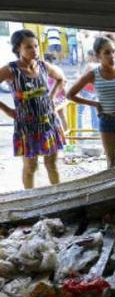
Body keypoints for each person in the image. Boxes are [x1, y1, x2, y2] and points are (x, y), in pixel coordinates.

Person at [0, 29, 65, 189]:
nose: (34, 50)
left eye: (36, 46)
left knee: (52, 164)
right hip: (27, 127)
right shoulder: (11, 70)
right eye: (28, 47)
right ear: (17, 49)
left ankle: (58, 197)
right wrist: (7, 110)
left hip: (48, 123)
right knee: (30, 167)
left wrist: (51, 98)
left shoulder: (43, 66)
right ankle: (31, 198)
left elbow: (61, 79)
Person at [67, 36, 115, 168]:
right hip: (106, 120)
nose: (112, 56)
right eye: (107, 52)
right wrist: (95, 104)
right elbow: (70, 95)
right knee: (111, 162)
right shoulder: (93, 74)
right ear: (98, 56)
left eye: (113, 51)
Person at [77, 50, 99, 132]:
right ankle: (95, 129)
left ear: (92, 56)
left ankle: (79, 129)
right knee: (94, 111)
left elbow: (83, 78)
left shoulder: (89, 65)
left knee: (80, 111)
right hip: (95, 90)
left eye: (88, 56)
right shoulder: (100, 65)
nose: (87, 57)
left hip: (87, 90)